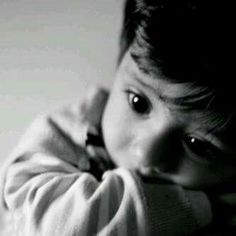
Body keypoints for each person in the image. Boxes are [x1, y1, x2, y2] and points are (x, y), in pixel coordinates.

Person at [1, 0, 236, 235]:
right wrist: (205, 207)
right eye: (139, 103)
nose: (147, 155)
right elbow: (53, 228)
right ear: (119, 63)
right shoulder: (59, 138)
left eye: (197, 144)